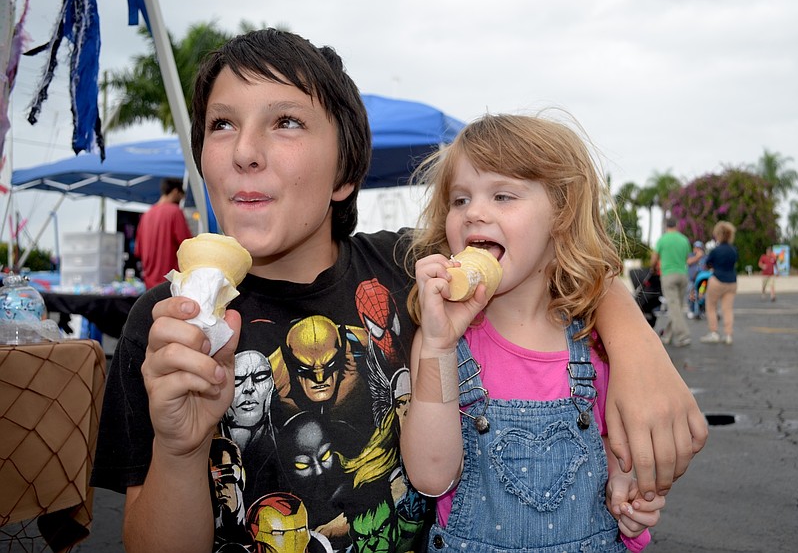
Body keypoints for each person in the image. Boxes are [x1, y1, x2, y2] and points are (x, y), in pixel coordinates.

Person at [89, 29, 706, 553]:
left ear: (346, 172)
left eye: (285, 122)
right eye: (222, 125)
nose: (245, 151)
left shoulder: (414, 268)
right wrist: (178, 449)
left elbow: (547, 264)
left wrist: (636, 348)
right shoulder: (167, 328)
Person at [401, 113, 665, 552]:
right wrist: (438, 346)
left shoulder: (597, 342)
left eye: (503, 195)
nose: (475, 213)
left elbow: (608, 455)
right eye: (460, 199)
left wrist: (626, 491)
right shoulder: (443, 340)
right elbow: (431, 476)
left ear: (560, 216)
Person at [134, 178, 193, 290]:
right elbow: (188, 245)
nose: (181, 200)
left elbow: (138, 251)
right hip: (170, 283)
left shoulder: (146, 214)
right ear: (175, 191)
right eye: (181, 196)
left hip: (149, 284)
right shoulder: (175, 211)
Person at [650, 217, 692, 347]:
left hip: (668, 275)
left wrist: (652, 267)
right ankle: (667, 335)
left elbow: (654, 258)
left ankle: (683, 336)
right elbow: (687, 259)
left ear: (666, 226)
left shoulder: (662, 240)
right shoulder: (684, 240)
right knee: (676, 308)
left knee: (674, 308)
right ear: (677, 225)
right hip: (683, 275)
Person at [700, 221, 739, 345]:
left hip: (717, 280)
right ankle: (728, 335)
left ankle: (714, 332)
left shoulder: (716, 250)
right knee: (728, 309)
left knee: (711, 306)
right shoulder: (733, 250)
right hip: (732, 281)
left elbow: (707, 265)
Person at [686, 240, 707, 318]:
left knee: (702, 295)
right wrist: (697, 257)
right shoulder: (690, 255)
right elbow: (688, 262)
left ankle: (701, 310)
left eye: (699, 248)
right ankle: (691, 310)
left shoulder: (705, 257)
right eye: (696, 247)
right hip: (692, 280)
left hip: (702, 281)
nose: (697, 249)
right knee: (690, 295)